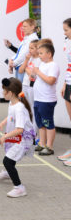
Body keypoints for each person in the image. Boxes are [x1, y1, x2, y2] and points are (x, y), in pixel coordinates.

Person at [0, 78, 37, 198]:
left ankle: (19, 188)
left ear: (10, 93)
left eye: (4, 92)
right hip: (16, 136)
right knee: (10, 156)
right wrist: (2, 124)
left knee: (7, 161)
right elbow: (10, 117)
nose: (2, 93)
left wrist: (4, 137)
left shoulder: (19, 108)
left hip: (23, 138)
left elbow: (20, 129)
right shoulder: (12, 103)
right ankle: (8, 173)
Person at [32, 41, 60, 156]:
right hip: (38, 98)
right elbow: (37, 77)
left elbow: (51, 80)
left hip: (47, 100)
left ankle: (49, 146)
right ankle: (42, 144)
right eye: (39, 53)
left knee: (48, 123)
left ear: (49, 54)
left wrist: (38, 72)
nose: (39, 56)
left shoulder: (53, 65)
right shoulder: (42, 64)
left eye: (41, 53)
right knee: (40, 123)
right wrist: (33, 73)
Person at [58, 19, 71, 165]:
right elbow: (69, 66)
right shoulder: (68, 43)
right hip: (69, 83)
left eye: (66, 29)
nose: (64, 32)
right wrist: (64, 84)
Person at [18, 39, 40, 114]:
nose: (29, 50)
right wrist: (26, 60)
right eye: (29, 48)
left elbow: (33, 75)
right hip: (25, 84)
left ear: (38, 49)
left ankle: (34, 124)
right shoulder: (29, 58)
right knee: (24, 105)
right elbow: (20, 70)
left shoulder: (39, 60)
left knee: (32, 105)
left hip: (32, 86)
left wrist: (26, 69)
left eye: (32, 48)